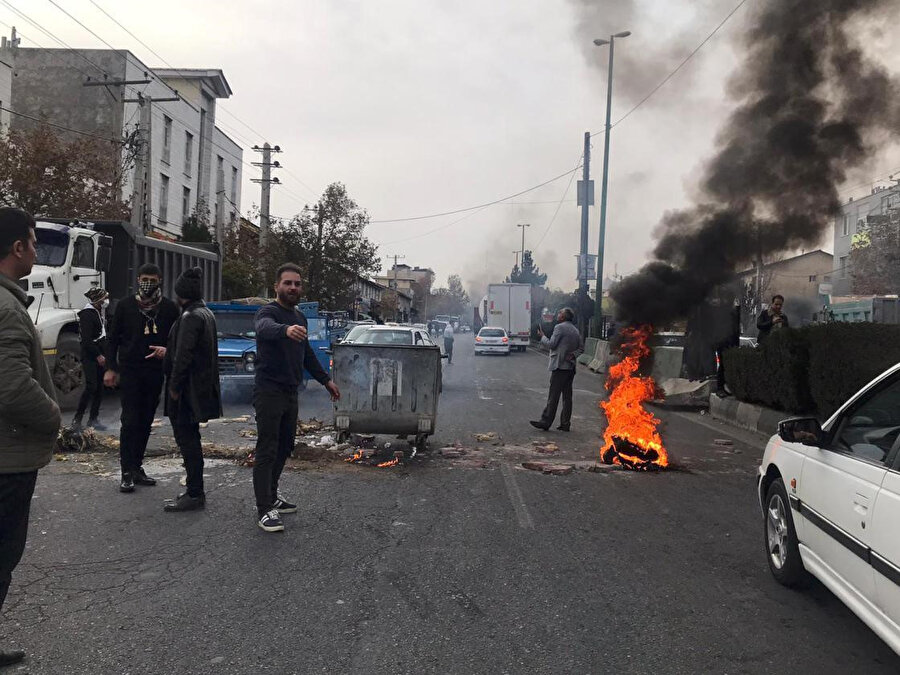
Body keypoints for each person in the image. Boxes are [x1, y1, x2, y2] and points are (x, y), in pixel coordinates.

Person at [0, 208, 61, 668]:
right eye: (35, 242)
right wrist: (54, 417)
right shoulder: (7, 309)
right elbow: (13, 387)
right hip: (7, 458)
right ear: (18, 247)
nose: (37, 252)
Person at [253, 263, 341, 533]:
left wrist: (326, 380)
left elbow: (307, 356)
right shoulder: (268, 312)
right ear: (276, 286)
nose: (293, 288)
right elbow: (263, 328)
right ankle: (264, 509)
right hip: (269, 390)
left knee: (284, 446)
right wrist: (285, 330)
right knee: (267, 448)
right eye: (287, 283)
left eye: (297, 284)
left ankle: (272, 495)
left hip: (290, 392)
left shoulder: (300, 317)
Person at [105, 263, 179, 493]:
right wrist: (111, 368)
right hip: (130, 371)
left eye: (152, 279)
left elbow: (178, 339)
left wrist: (167, 351)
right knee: (130, 421)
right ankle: (126, 471)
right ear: (138, 279)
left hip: (155, 372)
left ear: (160, 281)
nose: (148, 283)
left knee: (146, 421)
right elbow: (113, 339)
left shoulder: (168, 309)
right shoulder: (126, 306)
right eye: (144, 278)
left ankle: (137, 467)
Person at [162, 268, 222, 512]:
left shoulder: (190, 317)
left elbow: (183, 357)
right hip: (198, 389)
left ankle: (195, 492)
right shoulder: (205, 313)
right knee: (191, 440)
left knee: (188, 442)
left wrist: (175, 388)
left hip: (188, 392)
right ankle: (194, 490)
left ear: (181, 294)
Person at [530, 308, 583, 432]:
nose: (558, 315)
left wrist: (543, 337)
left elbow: (551, 344)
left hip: (560, 366)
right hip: (570, 367)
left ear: (564, 317)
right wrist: (573, 355)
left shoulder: (559, 327)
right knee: (567, 397)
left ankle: (545, 421)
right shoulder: (575, 330)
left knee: (553, 396)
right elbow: (581, 348)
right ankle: (565, 423)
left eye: (560, 313)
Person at [72, 287, 110, 431]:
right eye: (104, 298)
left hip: (101, 353)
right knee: (91, 386)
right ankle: (77, 418)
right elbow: (86, 340)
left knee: (100, 388)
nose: (106, 300)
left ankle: (93, 419)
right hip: (91, 356)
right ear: (97, 299)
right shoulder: (87, 315)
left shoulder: (99, 313)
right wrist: (98, 355)